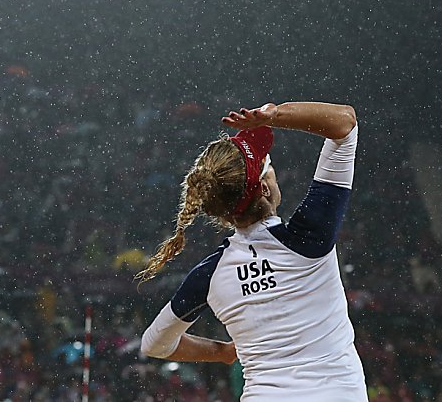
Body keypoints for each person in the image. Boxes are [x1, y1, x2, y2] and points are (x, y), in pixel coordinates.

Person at [138, 101, 367, 401]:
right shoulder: (311, 235)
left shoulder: (209, 276)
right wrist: (274, 115)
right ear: (265, 188)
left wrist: (223, 353)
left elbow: (154, 344)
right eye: (269, 166)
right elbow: (345, 124)